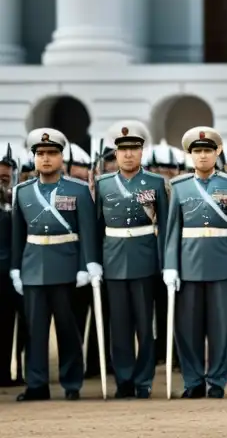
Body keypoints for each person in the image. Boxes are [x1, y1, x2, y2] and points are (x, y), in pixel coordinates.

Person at [10, 128, 100, 401]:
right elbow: (18, 233)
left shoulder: (78, 190)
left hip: (67, 267)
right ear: (34, 158)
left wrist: (89, 264)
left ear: (62, 157)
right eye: (40, 154)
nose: (45, 159)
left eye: (51, 153)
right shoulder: (22, 191)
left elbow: (87, 231)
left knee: (68, 329)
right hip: (33, 267)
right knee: (35, 332)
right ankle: (37, 384)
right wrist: (16, 268)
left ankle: (72, 383)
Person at [163, 126, 227, 398]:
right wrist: (170, 265)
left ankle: (216, 380)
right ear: (190, 155)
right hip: (188, 265)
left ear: (217, 152)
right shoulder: (178, 186)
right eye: (197, 151)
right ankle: (192, 381)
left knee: (220, 328)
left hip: (222, 265)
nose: (202, 156)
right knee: (186, 329)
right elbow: (172, 231)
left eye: (207, 151)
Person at [95, 120, 169, 398]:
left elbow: (165, 226)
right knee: (120, 325)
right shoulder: (103, 184)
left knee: (144, 324)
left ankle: (143, 380)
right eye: (123, 149)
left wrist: (164, 263)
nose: (128, 154)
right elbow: (95, 227)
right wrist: (93, 262)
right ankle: (123, 379)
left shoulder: (156, 183)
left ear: (142, 152)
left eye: (134, 149)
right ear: (115, 153)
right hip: (113, 259)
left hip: (145, 259)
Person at [0, 143, 25, 387]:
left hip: (10, 274)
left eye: (7, 170)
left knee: (9, 326)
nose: (4, 174)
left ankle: (6, 373)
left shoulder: (15, 199)